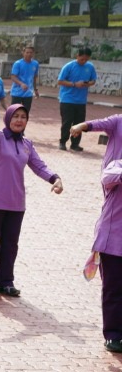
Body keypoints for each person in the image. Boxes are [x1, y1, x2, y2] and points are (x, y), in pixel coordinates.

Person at [0, 103, 62, 297]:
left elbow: (39, 166)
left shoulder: (27, 144)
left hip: (16, 203)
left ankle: (6, 281)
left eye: (23, 117)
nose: (19, 120)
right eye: (15, 116)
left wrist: (55, 178)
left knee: (10, 244)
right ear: (8, 118)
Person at [91, 154, 122, 353]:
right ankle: (113, 335)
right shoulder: (116, 165)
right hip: (113, 241)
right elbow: (107, 178)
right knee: (113, 289)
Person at [57, 47, 97, 151]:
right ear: (77, 56)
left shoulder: (90, 67)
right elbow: (60, 81)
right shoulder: (69, 66)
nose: (84, 61)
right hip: (67, 99)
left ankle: (75, 144)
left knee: (79, 123)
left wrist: (87, 84)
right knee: (67, 122)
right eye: (82, 59)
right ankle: (62, 142)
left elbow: (93, 80)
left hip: (81, 100)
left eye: (86, 59)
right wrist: (74, 84)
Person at [9, 45, 39, 115]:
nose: (29, 54)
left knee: (25, 113)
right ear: (23, 53)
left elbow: (34, 77)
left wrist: (35, 89)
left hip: (28, 93)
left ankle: (22, 126)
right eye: (27, 52)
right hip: (17, 93)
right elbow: (13, 77)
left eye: (31, 52)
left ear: (33, 53)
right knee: (14, 113)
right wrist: (21, 84)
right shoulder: (18, 64)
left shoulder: (35, 64)